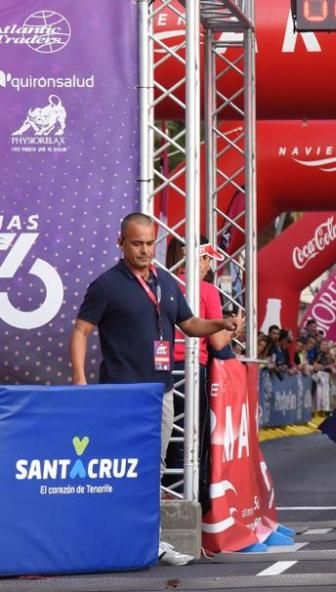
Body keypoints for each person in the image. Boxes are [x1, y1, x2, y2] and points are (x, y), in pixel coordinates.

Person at [69, 213, 238, 566]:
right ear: (121, 243)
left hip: (159, 393)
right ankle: (107, 538)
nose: (144, 250)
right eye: (136, 243)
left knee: (154, 470)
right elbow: (81, 331)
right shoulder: (106, 285)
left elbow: (190, 324)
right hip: (119, 394)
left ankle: (151, 541)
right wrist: (80, 381)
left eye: (149, 243)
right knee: (117, 468)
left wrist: (219, 323)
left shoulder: (166, 282)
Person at [164, 239, 245, 501]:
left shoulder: (163, 283)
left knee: (164, 439)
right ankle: (186, 503)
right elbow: (218, 342)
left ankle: (164, 496)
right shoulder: (206, 291)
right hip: (191, 368)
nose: (210, 266)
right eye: (208, 259)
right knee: (190, 443)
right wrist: (236, 327)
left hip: (161, 366)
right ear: (197, 258)